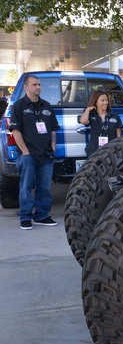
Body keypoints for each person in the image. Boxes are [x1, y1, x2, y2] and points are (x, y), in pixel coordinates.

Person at [8, 75, 59, 229]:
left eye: (39, 84)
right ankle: (25, 217)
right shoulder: (19, 106)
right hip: (28, 155)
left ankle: (42, 216)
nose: (38, 87)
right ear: (26, 87)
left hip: (46, 154)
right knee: (26, 186)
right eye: (34, 84)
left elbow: (53, 129)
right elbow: (15, 131)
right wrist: (24, 151)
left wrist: (53, 145)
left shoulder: (47, 106)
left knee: (44, 187)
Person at [79, 90, 123, 157]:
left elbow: (118, 137)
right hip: (94, 152)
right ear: (96, 102)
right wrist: (87, 110)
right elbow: (83, 121)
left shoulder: (115, 116)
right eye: (102, 100)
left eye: (106, 100)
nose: (105, 103)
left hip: (110, 153)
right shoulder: (92, 114)